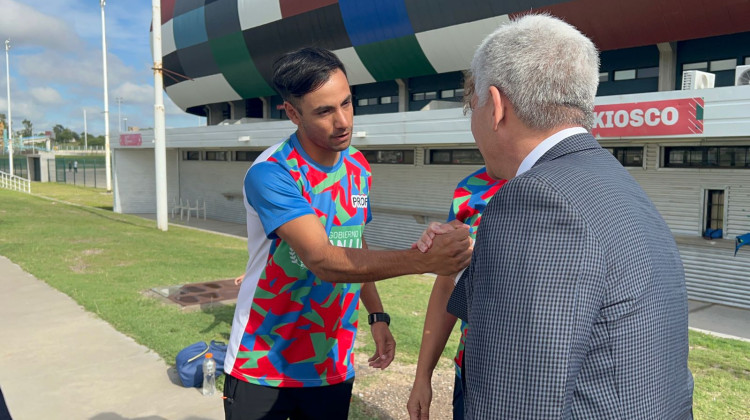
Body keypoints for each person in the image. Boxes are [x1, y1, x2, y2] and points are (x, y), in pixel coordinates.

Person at [421, 14, 693, 419]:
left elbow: (517, 400)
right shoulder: (616, 183)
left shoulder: (537, 199)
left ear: (496, 107)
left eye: (473, 104)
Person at [223, 47, 472, 420]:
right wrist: (421, 261)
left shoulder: (357, 164)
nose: (342, 121)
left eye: (346, 103)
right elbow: (323, 258)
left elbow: (354, 243)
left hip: (331, 362)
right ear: (292, 113)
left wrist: (377, 315)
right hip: (263, 361)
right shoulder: (272, 173)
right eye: (324, 111)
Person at [407, 166, 505, 420]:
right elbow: (446, 285)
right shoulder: (472, 188)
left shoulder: (568, 181)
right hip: (472, 372)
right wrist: (422, 376)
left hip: (542, 378)